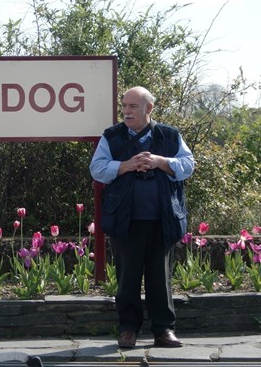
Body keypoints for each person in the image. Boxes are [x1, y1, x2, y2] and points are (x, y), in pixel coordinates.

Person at [89, 86, 195, 349]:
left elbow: (188, 165)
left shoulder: (169, 135)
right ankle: (128, 330)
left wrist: (160, 161)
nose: (126, 111)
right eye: (124, 106)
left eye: (133, 106)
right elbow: (97, 169)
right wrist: (126, 165)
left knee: (161, 279)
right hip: (125, 222)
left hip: (163, 220)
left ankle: (163, 330)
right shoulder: (111, 137)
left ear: (148, 109)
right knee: (128, 279)